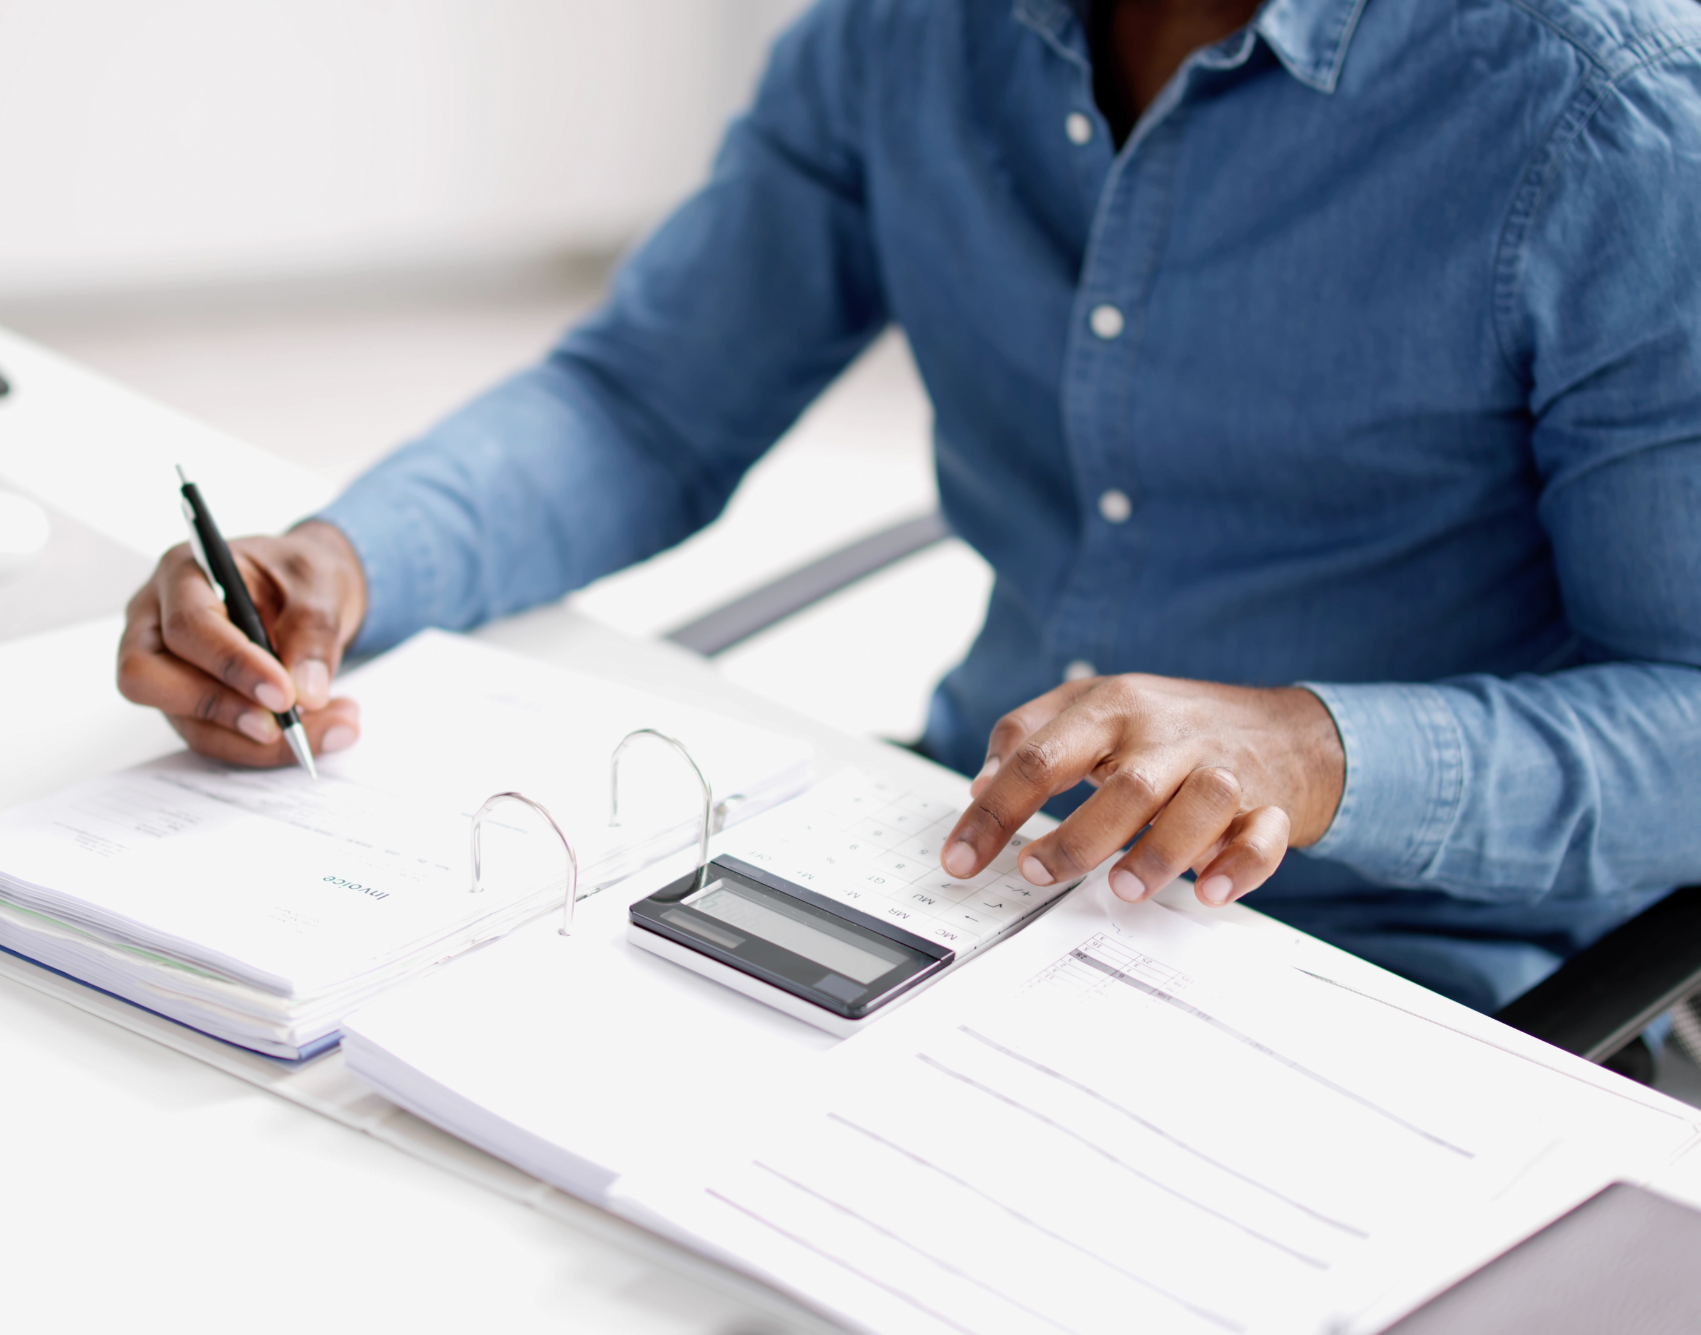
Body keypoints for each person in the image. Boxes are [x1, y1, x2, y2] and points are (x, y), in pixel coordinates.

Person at [118, 0, 1701, 1018]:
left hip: (1386, 976)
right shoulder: (910, 29)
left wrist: (1309, 747)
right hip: (952, 869)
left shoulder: (1615, 112)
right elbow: (646, 398)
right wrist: (345, 563)